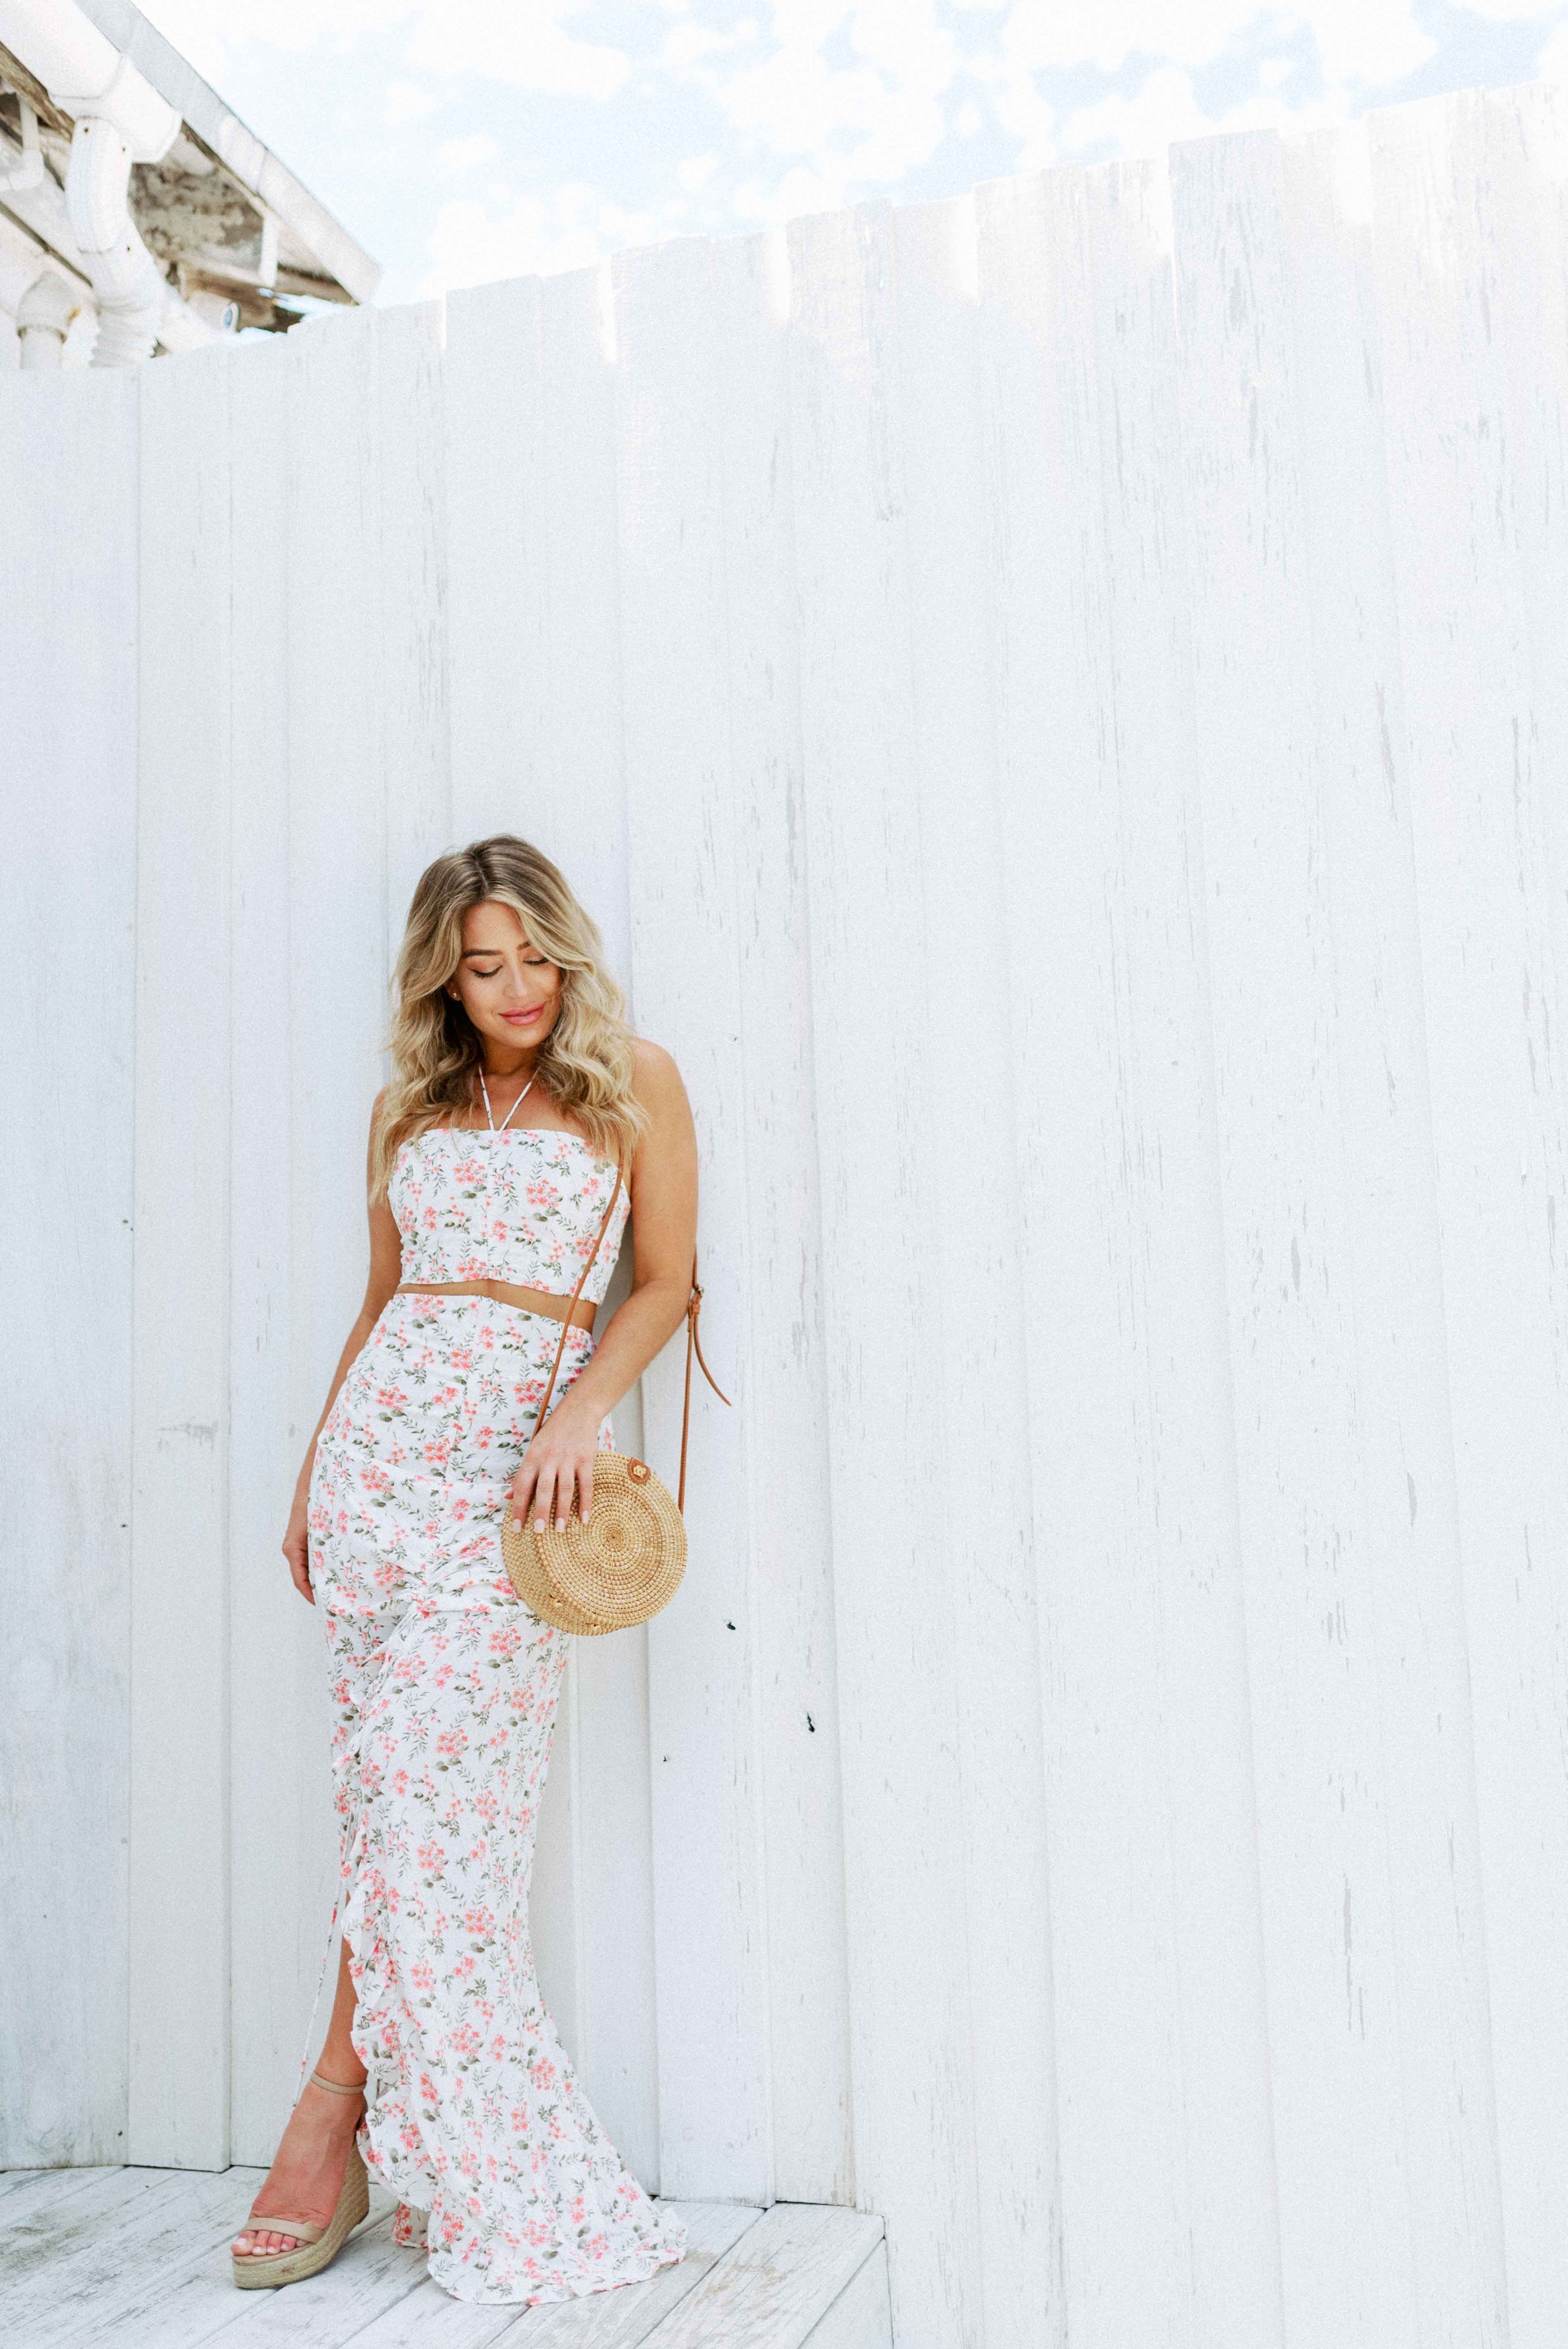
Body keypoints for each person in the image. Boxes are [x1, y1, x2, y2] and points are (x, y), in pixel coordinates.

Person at [231, 834, 696, 2305]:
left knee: (439, 1822)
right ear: (445, 972)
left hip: (514, 1491)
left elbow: (669, 1280)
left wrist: (575, 1408)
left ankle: (335, 2106)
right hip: (381, 1475)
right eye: (481, 965)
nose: (514, 990)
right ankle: (360, 2123)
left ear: (569, 950)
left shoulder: (637, 1084)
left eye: (534, 958)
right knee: (390, 1802)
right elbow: (384, 1300)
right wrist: (316, 1469)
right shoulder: (408, 1107)